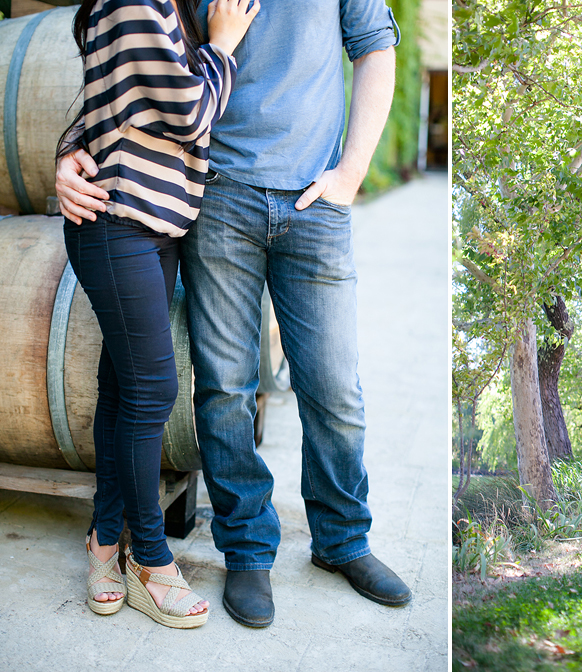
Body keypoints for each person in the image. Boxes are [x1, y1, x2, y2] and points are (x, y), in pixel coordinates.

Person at [57, 0, 411, 628]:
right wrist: (71, 146)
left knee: (334, 389)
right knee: (224, 388)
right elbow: (135, 61)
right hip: (215, 197)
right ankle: (247, 551)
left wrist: (350, 173)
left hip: (315, 203)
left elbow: (376, 47)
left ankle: (343, 540)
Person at [58, 0, 259, 627]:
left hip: (152, 221)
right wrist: (224, 44)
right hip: (119, 221)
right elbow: (191, 115)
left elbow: (111, 104)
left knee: (122, 389)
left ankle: (103, 544)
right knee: (153, 389)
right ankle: (150, 560)